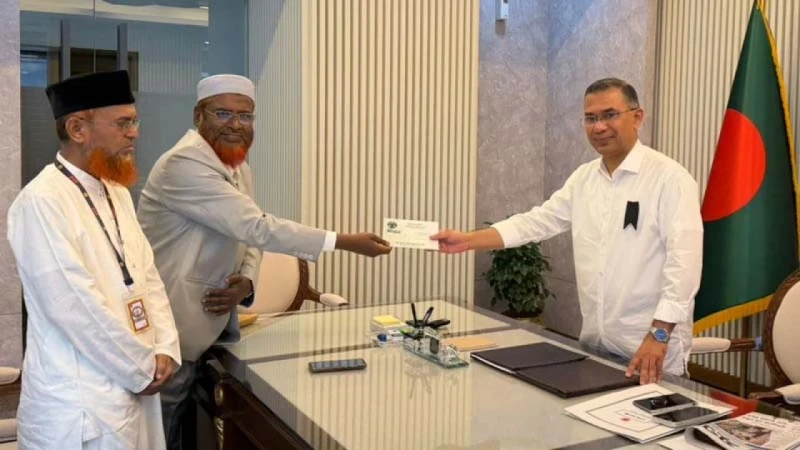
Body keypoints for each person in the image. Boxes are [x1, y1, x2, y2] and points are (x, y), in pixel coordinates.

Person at [137, 74, 392, 449]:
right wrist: (342, 241)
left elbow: (249, 234)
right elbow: (257, 226)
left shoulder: (239, 168)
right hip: (173, 328)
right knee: (162, 431)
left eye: (245, 116)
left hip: (213, 327)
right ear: (198, 116)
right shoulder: (183, 163)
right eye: (223, 113)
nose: (236, 125)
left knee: (200, 427)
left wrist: (247, 281)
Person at [433, 78, 703, 383]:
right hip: (595, 345)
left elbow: (684, 266)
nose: (599, 127)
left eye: (610, 115)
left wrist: (659, 334)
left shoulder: (670, 179)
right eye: (590, 118)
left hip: (650, 350)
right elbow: (536, 222)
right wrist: (469, 240)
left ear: (637, 117)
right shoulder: (584, 179)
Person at [6, 70, 181, 449]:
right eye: (123, 123)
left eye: (134, 122)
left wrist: (166, 346)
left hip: (139, 381)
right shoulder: (41, 202)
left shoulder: (116, 190)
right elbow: (73, 306)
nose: (134, 133)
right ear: (77, 128)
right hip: (80, 403)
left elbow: (148, 277)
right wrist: (140, 367)